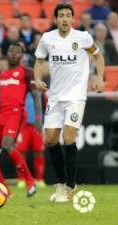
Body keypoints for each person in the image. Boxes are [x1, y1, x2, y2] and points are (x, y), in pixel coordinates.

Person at [34, 3, 105, 203]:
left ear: (72, 18)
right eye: (61, 16)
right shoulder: (47, 39)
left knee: (68, 138)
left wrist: (100, 78)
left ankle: (70, 186)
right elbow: (39, 61)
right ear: (56, 19)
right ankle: (61, 183)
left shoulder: (83, 38)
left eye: (68, 16)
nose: (64, 19)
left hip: (75, 96)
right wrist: (38, 78)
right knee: (50, 140)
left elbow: (98, 57)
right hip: (55, 97)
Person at [0, 43, 40, 197]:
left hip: (16, 113)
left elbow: (36, 95)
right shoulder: (0, 75)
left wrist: (39, 118)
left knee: (8, 145)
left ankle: (30, 181)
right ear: (6, 53)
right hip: (1, 116)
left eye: (17, 52)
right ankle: (3, 189)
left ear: (22, 56)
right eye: (11, 51)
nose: (13, 54)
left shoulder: (26, 72)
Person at [15, 93, 46, 189]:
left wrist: (43, 122)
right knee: (21, 152)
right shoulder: (21, 89)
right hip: (23, 126)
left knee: (39, 152)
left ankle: (40, 179)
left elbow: (46, 107)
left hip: (37, 126)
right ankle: (21, 179)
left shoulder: (40, 93)